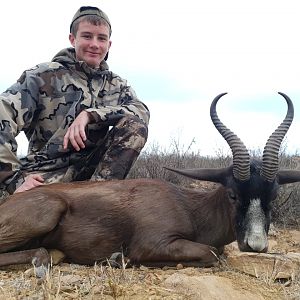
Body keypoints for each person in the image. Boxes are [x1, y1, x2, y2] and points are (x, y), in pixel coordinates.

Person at [0, 6, 150, 197]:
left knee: (135, 126)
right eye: (87, 36)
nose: (95, 44)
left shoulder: (117, 85)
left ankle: (98, 199)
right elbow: (2, 113)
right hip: (45, 174)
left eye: (101, 38)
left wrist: (91, 115)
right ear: (73, 39)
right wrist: (13, 179)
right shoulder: (41, 76)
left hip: (93, 174)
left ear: (109, 44)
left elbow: (141, 111)